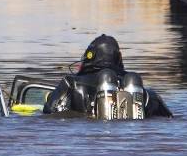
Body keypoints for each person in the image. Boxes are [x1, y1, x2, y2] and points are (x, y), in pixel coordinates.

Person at [43, 34, 172, 118]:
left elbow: (50, 114)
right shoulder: (146, 93)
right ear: (119, 59)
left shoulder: (71, 83)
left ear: (89, 56)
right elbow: (168, 118)